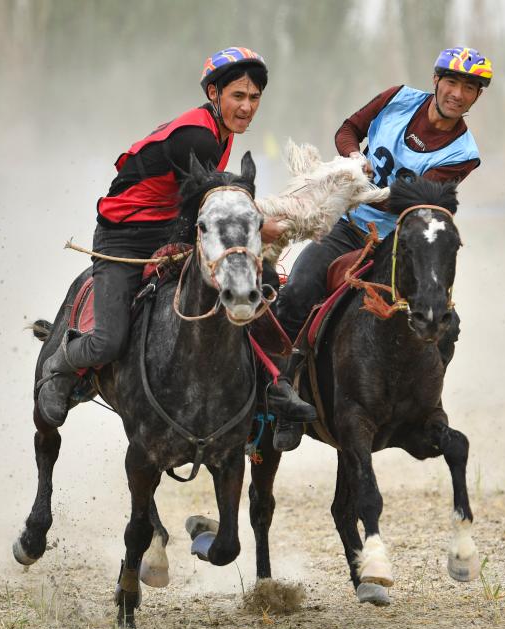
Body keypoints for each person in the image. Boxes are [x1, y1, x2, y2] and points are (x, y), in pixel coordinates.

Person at [37, 47, 315, 429]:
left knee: (258, 279)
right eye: (238, 95)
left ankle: (272, 383)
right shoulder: (199, 137)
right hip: (125, 237)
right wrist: (258, 224)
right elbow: (202, 211)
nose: (247, 107)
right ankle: (61, 367)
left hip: (172, 227)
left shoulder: (220, 131)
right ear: (213, 93)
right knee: (108, 341)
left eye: (254, 97)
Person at [270, 46, 493, 451]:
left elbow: (414, 199)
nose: (458, 94)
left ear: (477, 96)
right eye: (452, 82)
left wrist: (360, 184)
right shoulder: (397, 98)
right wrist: (354, 158)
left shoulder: (464, 153)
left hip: (398, 244)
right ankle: (283, 394)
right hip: (347, 226)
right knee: (297, 291)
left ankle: (425, 409)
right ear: (436, 80)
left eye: (470, 88)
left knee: (448, 324)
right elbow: (348, 129)